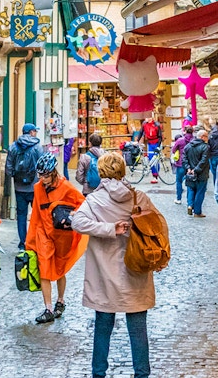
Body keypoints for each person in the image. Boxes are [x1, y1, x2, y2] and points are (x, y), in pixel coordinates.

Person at [72, 152, 169, 378]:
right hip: (135, 274)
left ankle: (99, 374)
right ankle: (141, 374)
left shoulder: (94, 201)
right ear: (123, 171)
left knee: (103, 328)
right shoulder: (138, 198)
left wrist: (107, 229)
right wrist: (161, 257)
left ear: (102, 173)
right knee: (138, 330)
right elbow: (159, 227)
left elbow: (77, 221)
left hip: (104, 278)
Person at [26, 152, 88, 324]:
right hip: (43, 233)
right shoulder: (38, 188)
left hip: (62, 235)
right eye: (40, 175)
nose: (43, 179)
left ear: (53, 173)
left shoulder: (66, 187)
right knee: (44, 268)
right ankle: (48, 308)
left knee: (60, 269)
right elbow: (37, 213)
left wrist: (73, 214)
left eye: (45, 175)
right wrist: (31, 240)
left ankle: (60, 300)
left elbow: (82, 202)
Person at [5, 123, 43, 251]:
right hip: (35, 187)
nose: (35, 133)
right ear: (31, 132)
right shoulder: (37, 147)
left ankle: (22, 243)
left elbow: (8, 167)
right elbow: (42, 165)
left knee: (21, 215)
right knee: (37, 215)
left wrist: (15, 177)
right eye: (35, 131)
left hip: (19, 187)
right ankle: (34, 241)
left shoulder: (13, 146)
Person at [182, 129, 210, 218]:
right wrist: (196, 169)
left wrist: (188, 168)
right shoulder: (205, 147)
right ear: (202, 137)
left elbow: (184, 158)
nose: (207, 138)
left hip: (190, 173)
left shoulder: (188, 146)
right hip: (201, 174)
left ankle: (190, 205)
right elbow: (204, 160)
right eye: (206, 136)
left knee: (190, 189)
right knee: (200, 192)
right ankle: (197, 212)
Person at [171, 126, 194, 205]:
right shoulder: (194, 140)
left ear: (185, 131)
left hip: (181, 163)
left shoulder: (180, 140)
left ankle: (179, 198)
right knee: (190, 182)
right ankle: (189, 201)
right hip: (191, 164)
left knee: (179, 181)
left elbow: (173, 150)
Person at [138, 117, 163, 184]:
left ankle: (156, 175)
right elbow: (141, 132)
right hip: (150, 143)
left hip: (156, 143)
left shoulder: (157, 125)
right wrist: (137, 141)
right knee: (151, 159)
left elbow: (160, 136)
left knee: (156, 160)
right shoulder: (144, 124)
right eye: (146, 117)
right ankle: (154, 176)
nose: (148, 119)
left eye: (149, 117)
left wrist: (158, 146)